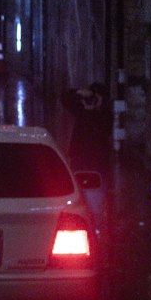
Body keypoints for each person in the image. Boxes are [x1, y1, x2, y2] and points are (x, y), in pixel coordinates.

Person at [62, 81, 113, 235]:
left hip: (97, 168)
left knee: (95, 208)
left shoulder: (104, 116)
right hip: (79, 164)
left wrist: (93, 107)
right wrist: (81, 93)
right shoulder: (81, 112)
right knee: (78, 205)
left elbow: (103, 125)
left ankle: (94, 234)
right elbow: (64, 98)